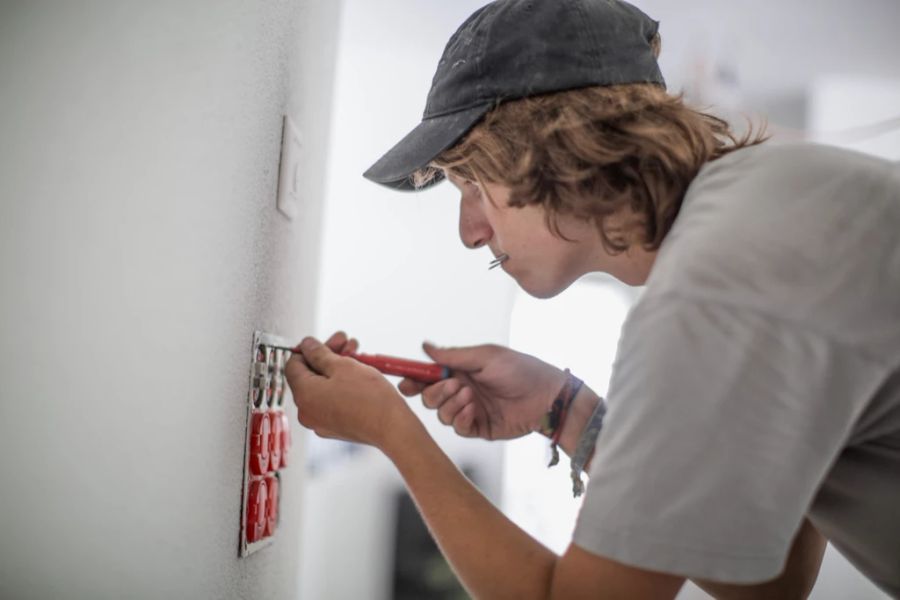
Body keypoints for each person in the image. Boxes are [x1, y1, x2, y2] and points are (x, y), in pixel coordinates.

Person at [285, 0, 900, 597]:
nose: (468, 232)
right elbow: (772, 581)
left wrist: (394, 433)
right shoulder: (757, 215)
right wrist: (565, 407)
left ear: (551, 144)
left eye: (471, 181)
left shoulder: (718, 285)